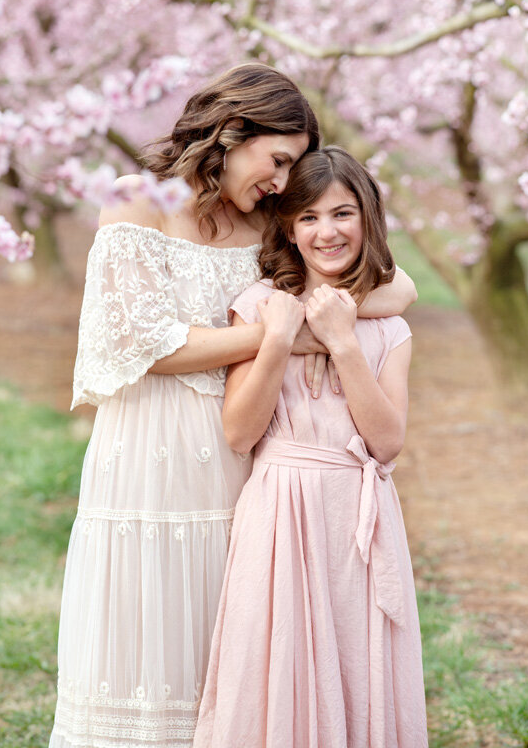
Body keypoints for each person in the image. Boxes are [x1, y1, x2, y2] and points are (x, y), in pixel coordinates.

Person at [49, 66, 418, 748]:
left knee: (239, 627)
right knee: (148, 619)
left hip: (239, 453)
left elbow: (397, 289)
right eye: (278, 160)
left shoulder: (262, 217)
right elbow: (140, 342)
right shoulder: (136, 201)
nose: (282, 182)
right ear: (232, 130)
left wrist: (316, 323)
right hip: (152, 448)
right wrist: (279, 333)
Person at [194, 146, 428, 748]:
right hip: (279, 515)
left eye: (343, 214)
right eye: (309, 218)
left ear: (367, 219)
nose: (328, 232)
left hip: (355, 516)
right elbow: (240, 434)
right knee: (275, 667)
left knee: (356, 666)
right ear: (290, 229)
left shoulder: (389, 328)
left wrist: (344, 345)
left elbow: (387, 442)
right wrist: (274, 342)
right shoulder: (257, 307)